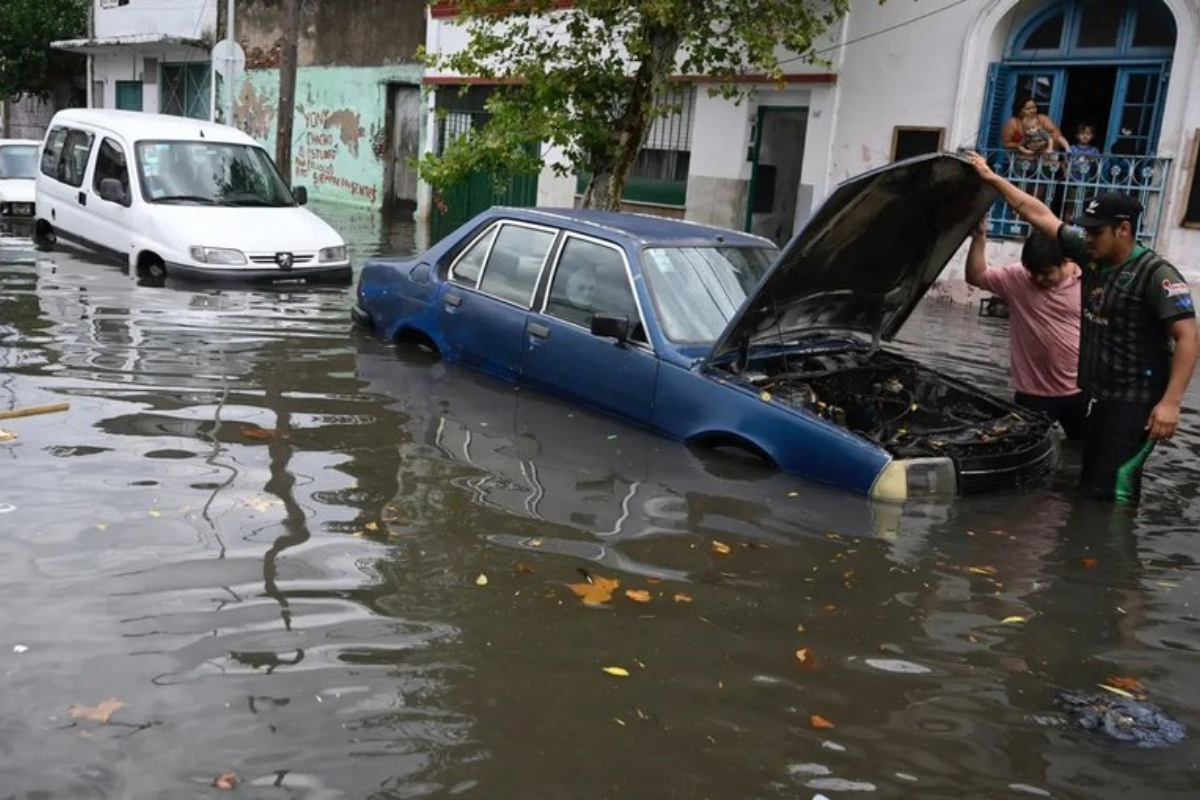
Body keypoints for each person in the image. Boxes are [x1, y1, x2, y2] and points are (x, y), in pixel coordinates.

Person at [966, 151, 1199, 504]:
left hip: (1136, 400)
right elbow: (1038, 214)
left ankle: (1112, 540)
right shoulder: (1091, 257)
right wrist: (993, 178)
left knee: (1115, 489)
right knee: (1090, 483)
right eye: (1086, 230)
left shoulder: (1157, 275)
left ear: (1123, 230)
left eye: (1096, 231)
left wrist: (1171, 403)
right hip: (1098, 395)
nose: (1087, 237)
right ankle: (1084, 537)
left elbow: (1188, 336)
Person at [966, 222, 1087, 439]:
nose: (1038, 279)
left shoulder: (1088, 281)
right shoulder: (1018, 278)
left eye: (1046, 273)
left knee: (1082, 447)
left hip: (1079, 389)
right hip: (1032, 392)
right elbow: (976, 276)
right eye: (1033, 273)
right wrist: (979, 238)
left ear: (1066, 261)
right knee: (1024, 444)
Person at [1002, 93, 1070, 168]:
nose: (1033, 111)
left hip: (1043, 155)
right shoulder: (1013, 123)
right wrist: (1026, 146)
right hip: (1023, 157)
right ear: (1019, 111)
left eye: (1034, 107)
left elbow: (1056, 133)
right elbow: (1006, 144)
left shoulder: (1042, 119)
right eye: (1028, 109)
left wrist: (1043, 143)